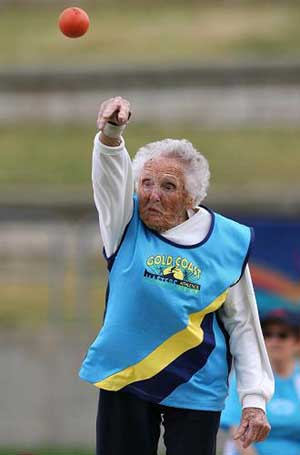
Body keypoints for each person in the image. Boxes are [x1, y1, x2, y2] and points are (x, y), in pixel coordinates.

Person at [79, 96, 274, 455]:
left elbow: (244, 324)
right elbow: (108, 180)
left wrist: (254, 399)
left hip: (196, 380)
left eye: (168, 187)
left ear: (191, 197)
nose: (152, 195)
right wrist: (111, 134)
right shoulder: (124, 221)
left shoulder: (227, 242)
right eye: (146, 183)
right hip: (127, 372)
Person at [221, 308, 300, 455]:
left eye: (282, 335)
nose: (274, 341)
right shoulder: (245, 376)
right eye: (267, 335)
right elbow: (237, 431)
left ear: (297, 342)